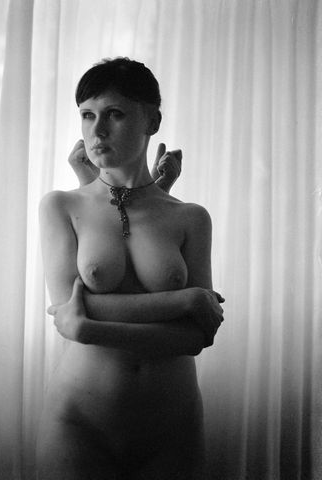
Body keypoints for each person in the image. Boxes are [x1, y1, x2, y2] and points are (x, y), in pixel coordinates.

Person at [37, 57, 224, 480]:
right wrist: (186, 300)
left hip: (173, 427)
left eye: (115, 114)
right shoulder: (62, 206)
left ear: (151, 121)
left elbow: (198, 336)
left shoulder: (191, 217)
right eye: (87, 115)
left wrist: (89, 329)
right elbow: (65, 309)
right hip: (79, 423)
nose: (97, 130)